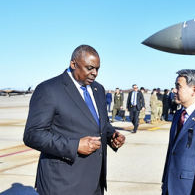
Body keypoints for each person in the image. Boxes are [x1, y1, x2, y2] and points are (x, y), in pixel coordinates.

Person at [23, 45, 125, 195]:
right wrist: (74, 145)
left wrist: (112, 136)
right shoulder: (49, 89)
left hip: (95, 183)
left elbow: (98, 123)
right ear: (73, 64)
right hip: (63, 183)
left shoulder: (98, 89)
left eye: (97, 69)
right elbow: (33, 135)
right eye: (89, 68)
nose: (94, 73)